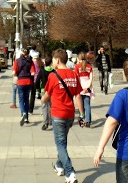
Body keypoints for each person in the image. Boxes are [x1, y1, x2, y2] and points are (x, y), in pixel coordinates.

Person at [42, 48, 85, 183]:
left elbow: (47, 94)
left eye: (54, 60)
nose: (52, 62)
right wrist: (82, 114)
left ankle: (70, 172)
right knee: (63, 142)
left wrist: (42, 100)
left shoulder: (53, 76)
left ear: (58, 60)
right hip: (70, 115)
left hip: (58, 114)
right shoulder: (73, 75)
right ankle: (59, 166)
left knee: (60, 144)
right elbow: (78, 95)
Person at [13, 48, 35, 126]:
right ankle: (26, 119)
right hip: (28, 82)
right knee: (26, 99)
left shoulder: (17, 61)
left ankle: (23, 113)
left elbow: (14, 72)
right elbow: (33, 73)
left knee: (21, 99)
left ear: (22, 52)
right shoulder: (30, 61)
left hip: (21, 82)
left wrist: (17, 76)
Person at [74, 51, 94, 128]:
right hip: (88, 85)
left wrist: (81, 88)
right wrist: (88, 87)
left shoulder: (77, 67)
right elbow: (91, 78)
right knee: (87, 104)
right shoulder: (89, 66)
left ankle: (82, 120)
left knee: (80, 105)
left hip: (80, 86)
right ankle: (88, 120)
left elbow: (77, 78)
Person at [35, 55, 54, 130]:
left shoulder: (42, 71)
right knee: (51, 105)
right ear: (51, 63)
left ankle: (45, 122)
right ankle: (51, 120)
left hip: (43, 90)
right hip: (51, 90)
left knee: (44, 106)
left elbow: (37, 81)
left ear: (45, 63)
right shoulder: (53, 71)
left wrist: (37, 89)